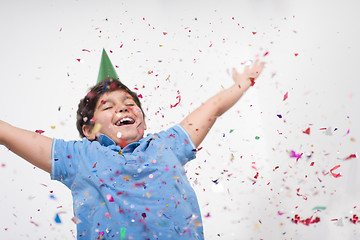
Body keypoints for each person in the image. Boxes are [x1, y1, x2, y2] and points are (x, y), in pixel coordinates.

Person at [0, 50, 264, 240]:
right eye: (108, 105)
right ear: (89, 129)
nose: (123, 108)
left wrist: (242, 85)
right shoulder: (79, 156)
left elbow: (213, 108)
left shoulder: (167, 145)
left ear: (144, 122)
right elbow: (10, 135)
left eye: (129, 103)